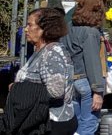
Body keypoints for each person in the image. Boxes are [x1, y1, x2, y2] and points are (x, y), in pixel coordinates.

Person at [7, 7, 75, 135]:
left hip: (51, 123)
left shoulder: (52, 53)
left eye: (30, 25)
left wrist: (18, 89)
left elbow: (56, 91)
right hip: (40, 121)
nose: (26, 29)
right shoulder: (41, 51)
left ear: (45, 29)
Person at [62, 0, 106, 135]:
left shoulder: (67, 27)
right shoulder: (90, 32)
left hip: (70, 81)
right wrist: (98, 91)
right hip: (86, 82)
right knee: (88, 125)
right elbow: (93, 62)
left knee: (76, 124)